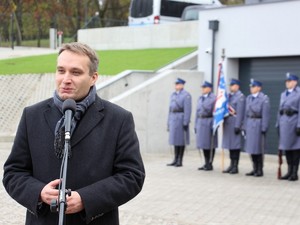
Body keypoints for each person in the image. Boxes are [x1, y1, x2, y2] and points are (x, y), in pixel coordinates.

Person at [2, 42, 145, 225]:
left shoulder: (119, 119)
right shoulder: (32, 115)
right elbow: (13, 172)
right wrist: (38, 192)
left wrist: (86, 199)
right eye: (61, 71)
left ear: (93, 77)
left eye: (75, 72)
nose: (66, 79)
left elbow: (132, 176)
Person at [243, 79, 270, 177]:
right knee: (251, 148)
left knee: (258, 148)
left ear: (259, 88)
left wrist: (264, 127)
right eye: (251, 86)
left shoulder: (264, 99)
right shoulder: (248, 98)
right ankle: (254, 168)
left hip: (258, 124)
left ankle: (259, 169)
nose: (251, 88)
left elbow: (266, 114)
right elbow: (246, 114)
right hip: (250, 124)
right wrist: (244, 126)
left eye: (253, 86)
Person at [276, 73, 300, 181]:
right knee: (287, 149)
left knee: (295, 149)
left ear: (295, 82)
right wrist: (278, 124)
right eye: (286, 81)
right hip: (284, 124)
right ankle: (289, 171)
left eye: (289, 81)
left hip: (293, 123)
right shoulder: (283, 94)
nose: (287, 83)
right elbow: (279, 110)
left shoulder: (298, 93)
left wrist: (299, 125)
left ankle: (294, 173)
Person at [167, 78, 192, 167]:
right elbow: (170, 110)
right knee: (175, 140)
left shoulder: (186, 95)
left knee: (181, 140)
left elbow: (187, 109)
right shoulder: (173, 95)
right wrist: (168, 123)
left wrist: (186, 121)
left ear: (182, 85)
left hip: (181, 119)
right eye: (175, 84)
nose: (176, 86)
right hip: (173, 118)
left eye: (178, 84)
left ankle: (180, 160)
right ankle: (175, 158)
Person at [222, 78, 245, 174]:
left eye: (232, 85)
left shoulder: (240, 97)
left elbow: (240, 113)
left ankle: (235, 166)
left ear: (237, 86)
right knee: (230, 145)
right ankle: (231, 164)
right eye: (230, 85)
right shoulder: (228, 96)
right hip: (228, 122)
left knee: (235, 146)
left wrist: (238, 125)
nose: (231, 87)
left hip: (235, 122)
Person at [195, 81, 217, 171]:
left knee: (210, 144)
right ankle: (205, 162)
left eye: (204, 87)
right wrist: (196, 125)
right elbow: (197, 112)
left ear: (209, 88)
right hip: (201, 121)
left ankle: (210, 163)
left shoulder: (214, 98)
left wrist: (215, 125)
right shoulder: (200, 98)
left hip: (209, 122)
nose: (202, 89)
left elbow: (216, 113)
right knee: (203, 144)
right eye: (202, 87)